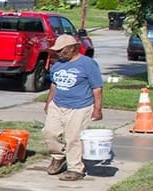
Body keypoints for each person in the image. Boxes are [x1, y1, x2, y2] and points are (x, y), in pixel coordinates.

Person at [43, 34, 103, 182]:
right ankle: (59, 157)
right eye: (56, 51)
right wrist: (48, 103)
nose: (58, 53)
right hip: (57, 104)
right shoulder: (57, 65)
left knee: (73, 138)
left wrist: (97, 109)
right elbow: (54, 85)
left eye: (61, 50)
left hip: (80, 106)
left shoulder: (88, 64)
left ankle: (76, 169)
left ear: (73, 48)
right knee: (49, 133)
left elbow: (97, 88)